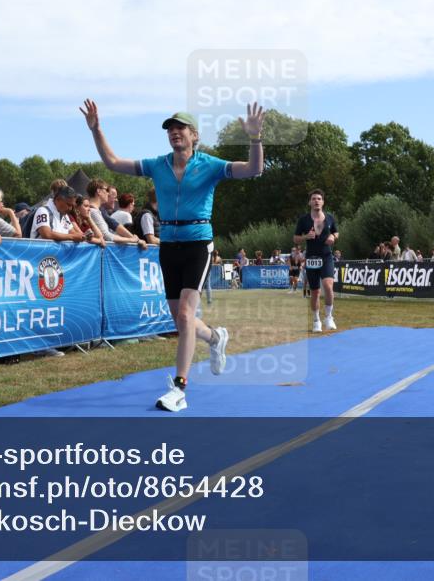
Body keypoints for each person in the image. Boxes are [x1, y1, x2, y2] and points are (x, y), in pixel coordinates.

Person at [83, 98, 264, 412]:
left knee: (184, 316)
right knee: (182, 322)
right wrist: (97, 129)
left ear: (194, 135)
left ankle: (179, 388)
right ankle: (215, 338)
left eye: (180, 128)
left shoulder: (209, 165)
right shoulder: (158, 165)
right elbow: (112, 162)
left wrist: (255, 138)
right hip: (169, 245)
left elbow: (254, 169)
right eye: (170, 129)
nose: (174, 133)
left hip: (198, 243)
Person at [294, 189, 339, 333]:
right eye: (313, 199)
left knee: (328, 286)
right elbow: (295, 238)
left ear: (323, 202)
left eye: (319, 198)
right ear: (310, 202)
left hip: (326, 257)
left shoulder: (330, 218)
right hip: (311, 258)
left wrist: (333, 237)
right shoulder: (304, 220)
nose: (316, 201)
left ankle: (329, 317)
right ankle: (316, 321)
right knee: (315, 292)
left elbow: (336, 232)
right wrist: (306, 237)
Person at [86, 178, 147, 248]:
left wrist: (133, 239)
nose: (108, 193)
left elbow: (112, 226)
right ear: (98, 191)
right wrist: (131, 239)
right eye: (106, 190)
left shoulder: (96, 211)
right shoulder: (93, 211)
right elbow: (106, 236)